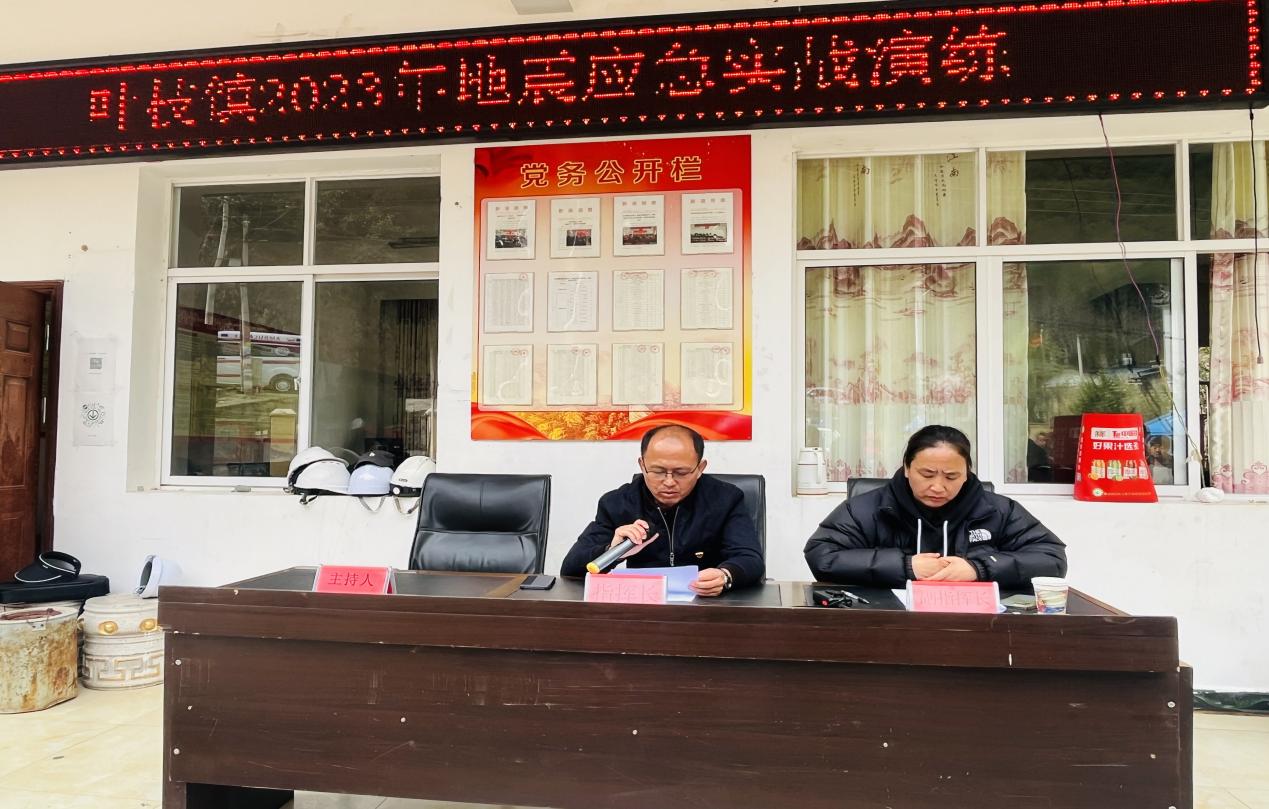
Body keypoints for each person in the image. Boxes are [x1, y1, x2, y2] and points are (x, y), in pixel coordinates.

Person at [804, 425, 1067, 589]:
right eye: (927, 474)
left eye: (951, 477)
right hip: (887, 622)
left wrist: (979, 568)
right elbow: (822, 555)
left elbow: (1052, 559)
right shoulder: (868, 509)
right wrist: (906, 567)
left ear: (967, 474)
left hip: (976, 627)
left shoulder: (997, 510)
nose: (938, 487)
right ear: (907, 468)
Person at [561, 425, 764, 596]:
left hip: (707, 605)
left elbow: (750, 559)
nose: (669, 482)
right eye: (658, 471)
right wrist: (612, 551)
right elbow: (570, 569)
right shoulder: (617, 502)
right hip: (645, 608)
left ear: (700, 468)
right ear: (642, 465)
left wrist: (725, 576)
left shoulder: (725, 499)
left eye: (681, 472)